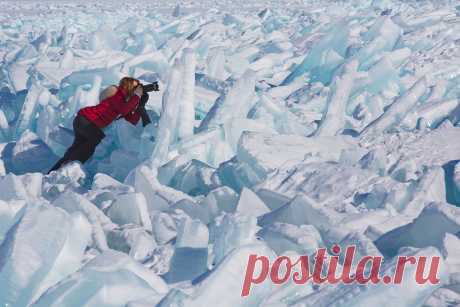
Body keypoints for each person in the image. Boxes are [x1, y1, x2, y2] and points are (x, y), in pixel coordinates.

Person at [48, 77, 148, 173]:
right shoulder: (117, 94)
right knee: (94, 140)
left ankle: (54, 171)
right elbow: (124, 109)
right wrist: (137, 96)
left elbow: (132, 120)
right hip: (85, 120)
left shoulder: (125, 102)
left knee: (76, 149)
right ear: (127, 86)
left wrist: (141, 104)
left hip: (84, 122)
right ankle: (71, 167)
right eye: (135, 87)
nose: (136, 89)